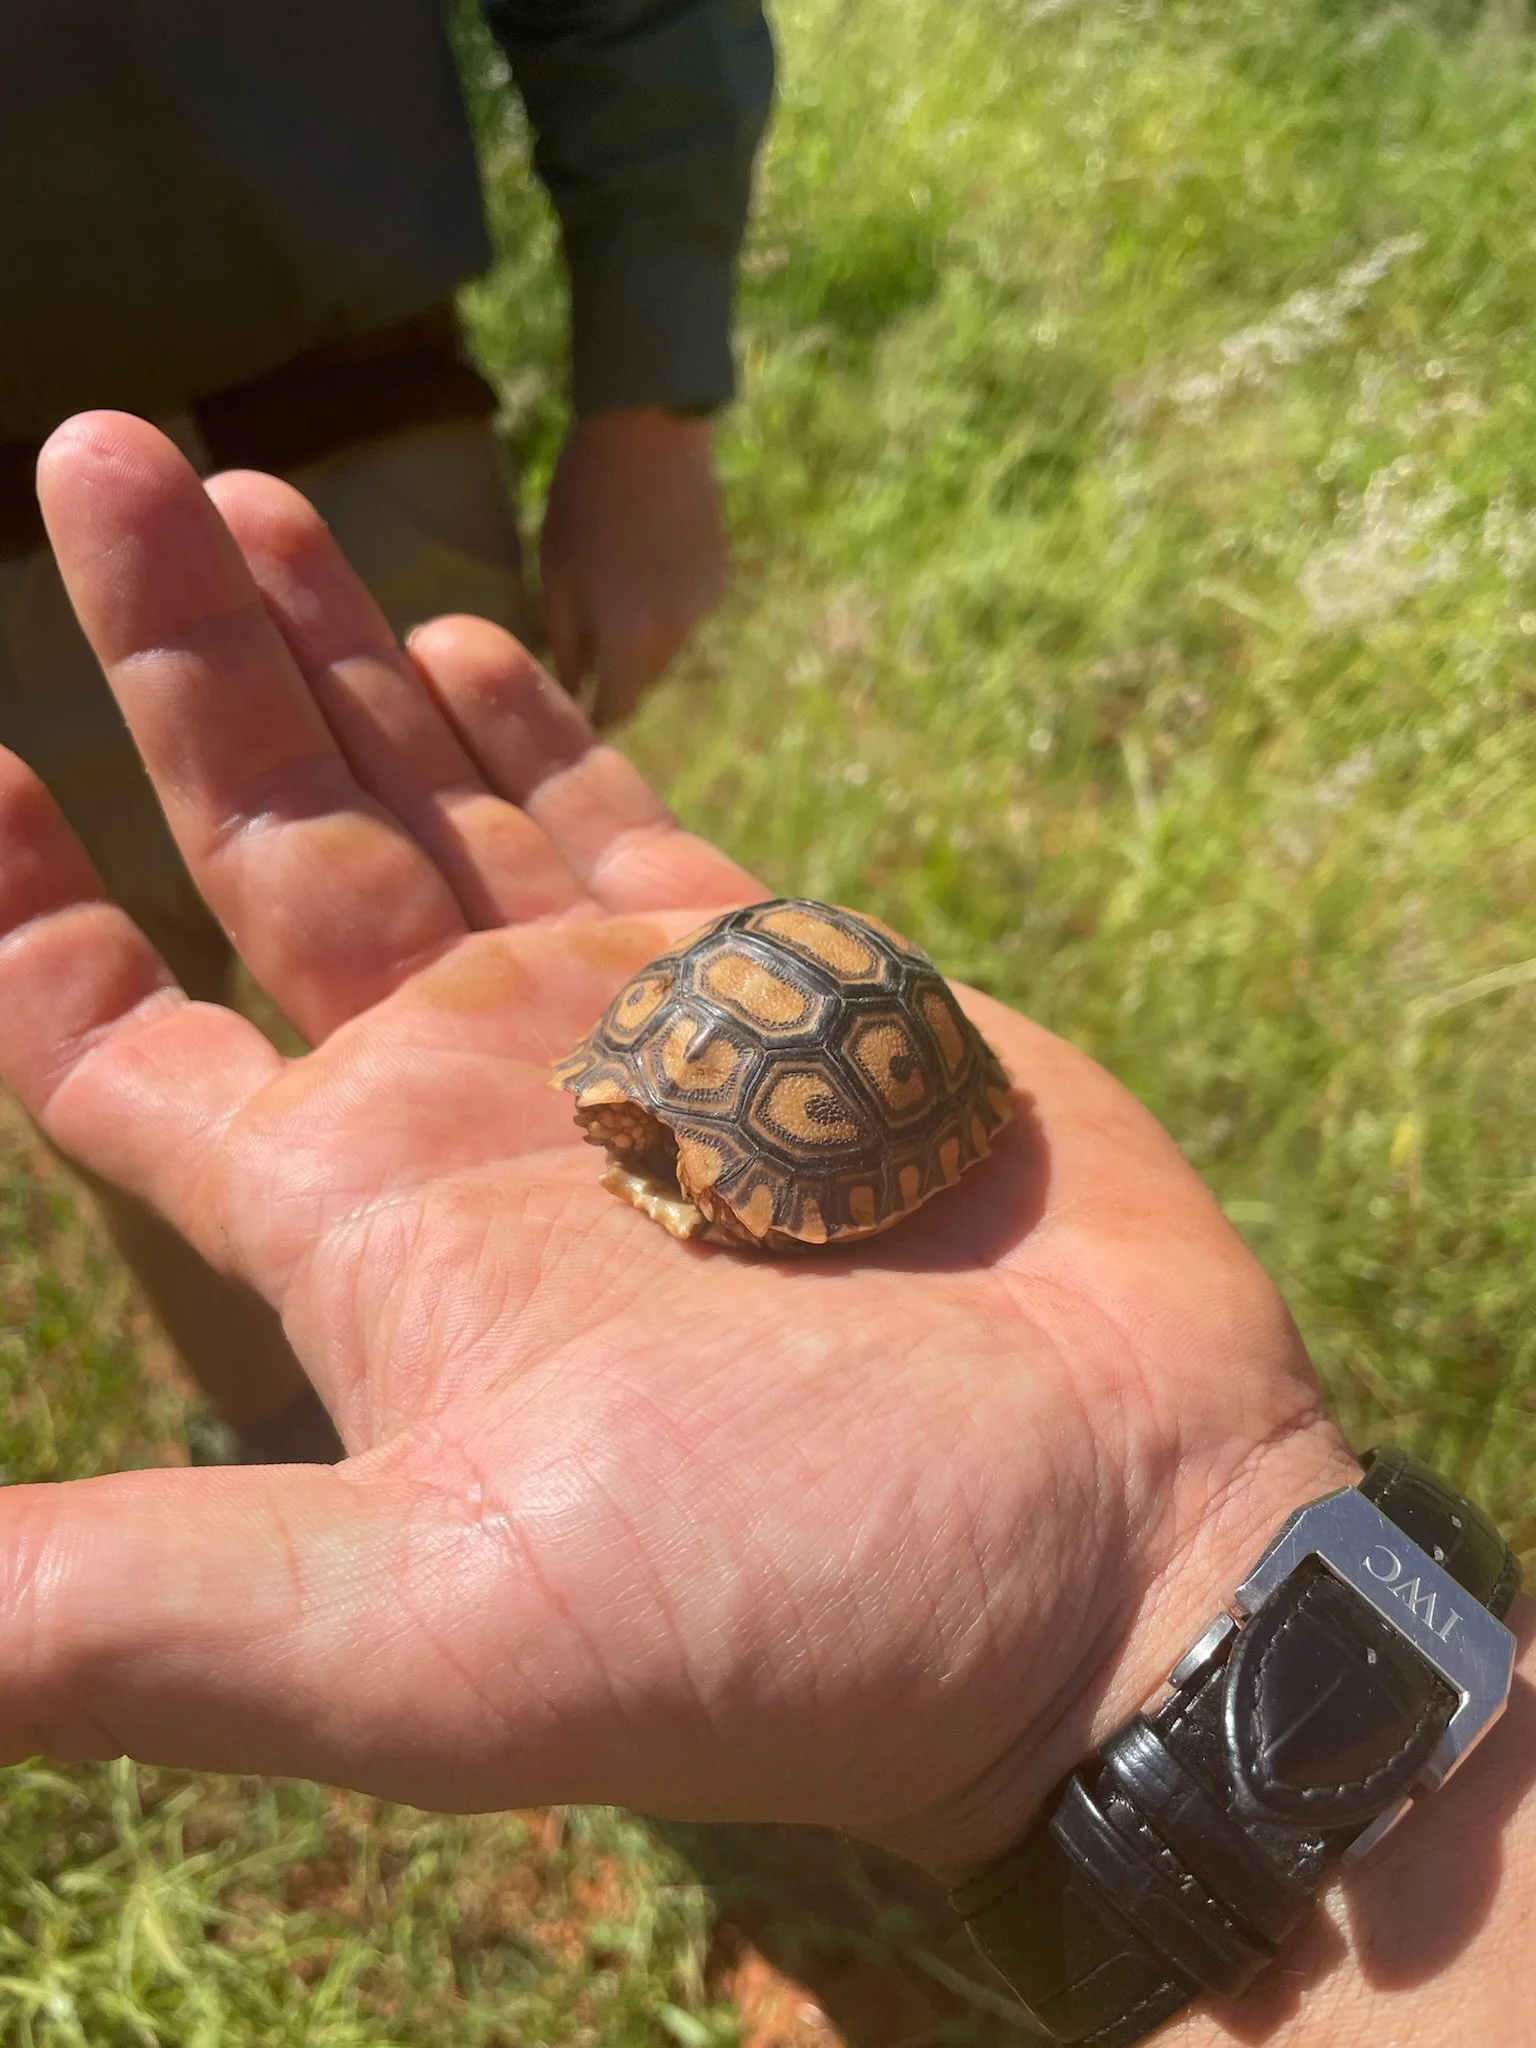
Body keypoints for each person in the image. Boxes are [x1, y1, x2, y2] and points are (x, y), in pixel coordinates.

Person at [0, 411, 1528, 2047]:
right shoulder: (622, 1088)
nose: (630, 1160)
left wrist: (1153, 1582)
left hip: (868, 1054)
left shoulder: (778, 1169)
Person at [0, 0, 773, 1464]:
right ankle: (289, 1442)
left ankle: (656, 1412)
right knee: (118, 1075)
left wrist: (653, 398)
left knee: (540, 1028)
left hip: (343, 429)